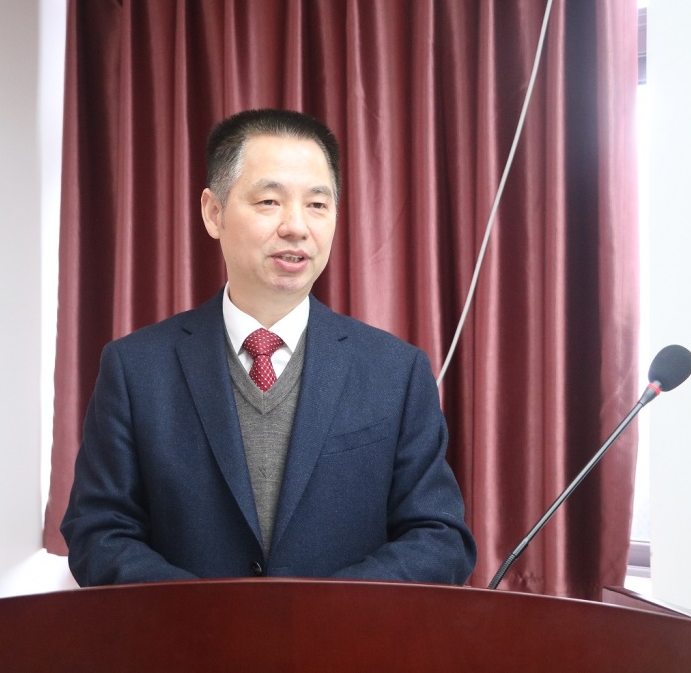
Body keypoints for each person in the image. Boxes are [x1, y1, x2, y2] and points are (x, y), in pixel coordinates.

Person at [61, 109, 476, 586]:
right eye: (269, 201)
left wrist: (322, 615)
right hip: (185, 633)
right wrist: (209, 618)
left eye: (316, 204)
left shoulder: (396, 372)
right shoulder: (135, 369)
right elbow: (99, 533)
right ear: (213, 212)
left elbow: (439, 537)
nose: (296, 226)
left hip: (346, 633)